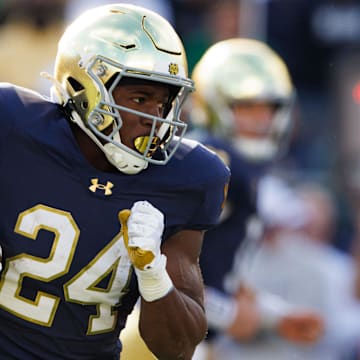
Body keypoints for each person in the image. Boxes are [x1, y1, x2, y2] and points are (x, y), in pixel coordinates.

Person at [0, 3, 230, 360]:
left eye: (164, 103)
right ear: (83, 87)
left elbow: (179, 348)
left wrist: (155, 274)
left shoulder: (189, 178)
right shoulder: (14, 127)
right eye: (140, 99)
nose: (154, 120)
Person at [188, 38, 324, 359]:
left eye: (268, 107)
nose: (260, 119)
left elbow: (214, 275)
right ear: (213, 105)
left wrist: (271, 316)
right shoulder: (209, 166)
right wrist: (229, 315)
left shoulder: (240, 170)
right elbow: (153, 270)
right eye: (245, 107)